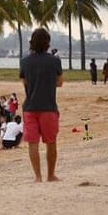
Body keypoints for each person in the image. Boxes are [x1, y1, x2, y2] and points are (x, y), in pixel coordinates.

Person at [20, 28, 63, 183]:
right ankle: (50, 175)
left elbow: (24, 82)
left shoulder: (24, 61)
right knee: (51, 142)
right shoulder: (54, 61)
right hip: (49, 107)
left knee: (33, 143)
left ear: (32, 42)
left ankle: (37, 176)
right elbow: (59, 82)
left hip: (30, 107)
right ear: (48, 43)